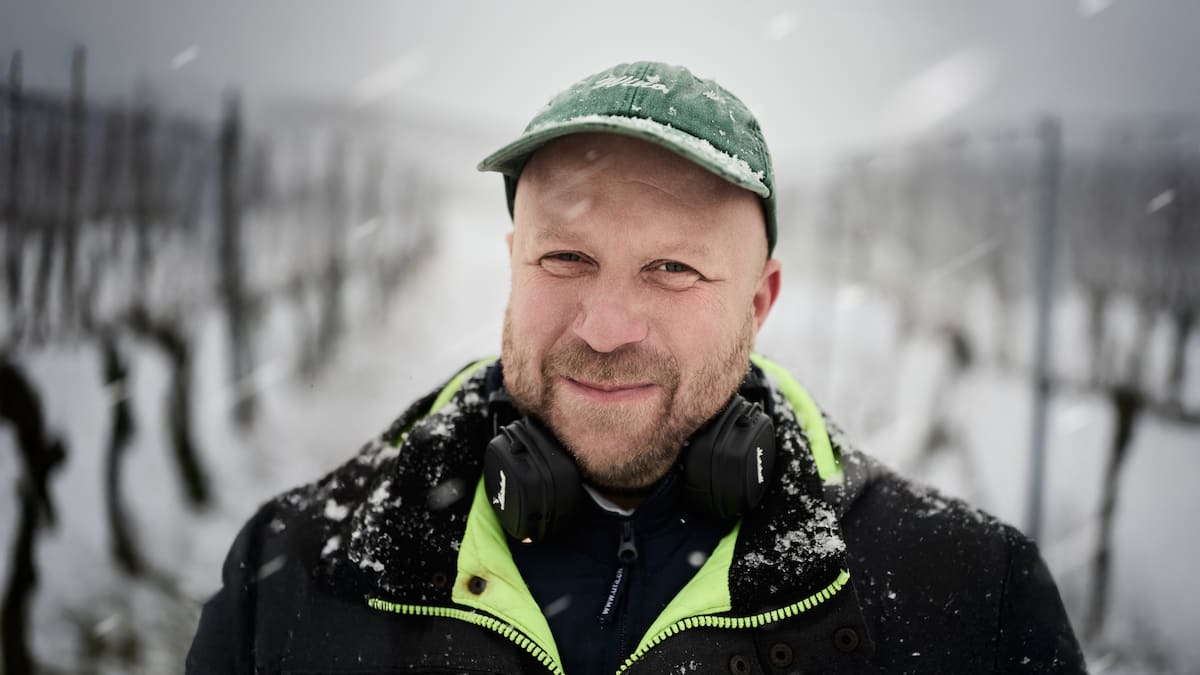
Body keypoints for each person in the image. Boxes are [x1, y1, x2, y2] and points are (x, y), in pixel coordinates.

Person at [187, 61, 1086, 675]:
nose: (608, 327)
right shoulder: (293, 571)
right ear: (513, 264)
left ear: (759, 302)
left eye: (674, 268)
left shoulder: (970, 597)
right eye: (566, 258)